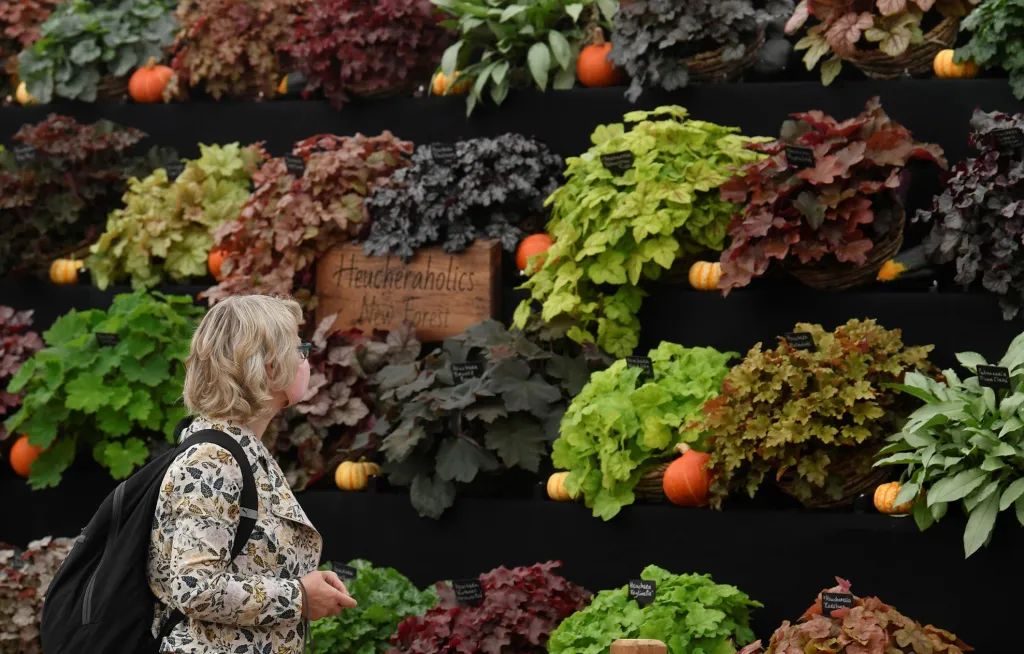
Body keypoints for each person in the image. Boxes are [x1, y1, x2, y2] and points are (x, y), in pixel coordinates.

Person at [146, 294, 357, 653]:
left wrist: (306, 587)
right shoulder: (214, 461)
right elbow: (195, 587)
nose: (305, 361)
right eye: (299, 350)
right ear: (269, 367)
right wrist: (300, 596)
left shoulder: (240, 448)